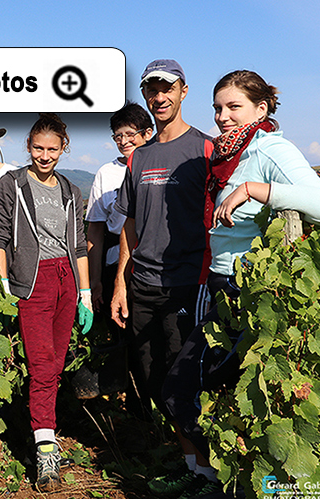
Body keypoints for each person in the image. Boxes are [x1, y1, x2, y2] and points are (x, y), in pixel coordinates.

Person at [160, 70, 320, 499]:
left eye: (233, 106)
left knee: (183, 391)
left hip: (248, 292)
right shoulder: (227, 155)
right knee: (212, 394)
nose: (222, 116)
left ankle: (238, 489)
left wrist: (255, 189)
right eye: (218, 107)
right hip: (216, 284)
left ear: (261, 109)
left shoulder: (268, 148)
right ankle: (217, 482)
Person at [0, 113, 92, 492]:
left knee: (57, 362)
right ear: (28, 148)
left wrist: (86, 294)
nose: (44, 156)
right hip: (32, 281)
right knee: (42, 364)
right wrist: (3, 281)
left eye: (52, 149)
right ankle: (46, 451)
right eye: (37, 148)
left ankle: (44, 433)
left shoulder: (69, 189)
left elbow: (78, 245)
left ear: (64, 150)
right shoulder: (11, 185)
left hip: (66, 278)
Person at [109, 59, 212, 419]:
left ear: (183, 91)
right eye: (152, 90)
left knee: (184, 379)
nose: (159, 96)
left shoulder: (205, 150)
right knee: (150, 373)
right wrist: (121, 284)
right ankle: (174, 455)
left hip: (186, 282)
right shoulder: (139, 157)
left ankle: (195, 463)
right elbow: (129, 224)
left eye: (167, 88)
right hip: (143, 284)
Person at [86, 102, 152, 326]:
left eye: (130, 134)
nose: (124, 141)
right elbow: (95, 228)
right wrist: (95, 281)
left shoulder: (155, 166)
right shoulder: (106, 172)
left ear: (147, 133)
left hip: (149, 260)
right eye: (118, 136)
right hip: (114, 261)